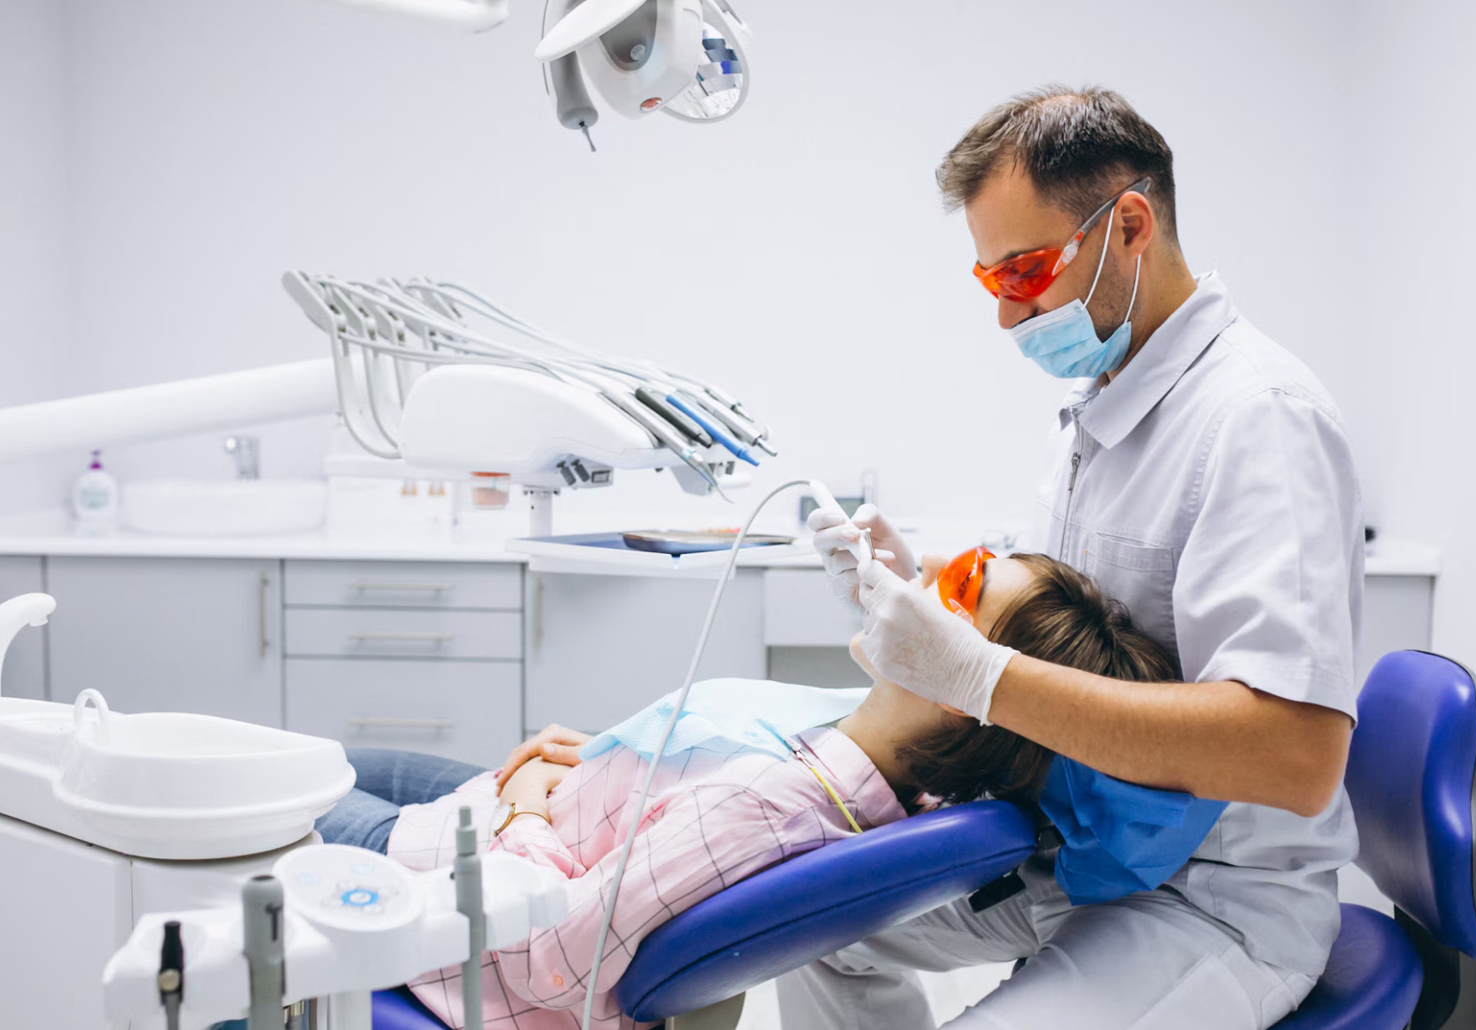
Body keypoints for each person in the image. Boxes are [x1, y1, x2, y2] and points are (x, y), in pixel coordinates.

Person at [795, 86, 1365, 1030]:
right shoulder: (1102, 409)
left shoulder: (1259, 419)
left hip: (1214, 897)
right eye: (992, 284)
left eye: (1025, 272)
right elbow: (1064, 638)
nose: (1011, 319)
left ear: (1130, 225)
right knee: (815, 927)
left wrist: (981, 675)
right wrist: (918, 599)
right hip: (1084, 854)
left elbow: (1295, 756)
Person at [315, 551, 1182, 1030]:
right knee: (340, 758)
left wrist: (530, 800)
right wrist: (619, 758)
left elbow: (556, 961)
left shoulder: (767, 815)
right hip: (543, 816)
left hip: (454, 894)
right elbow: (685, 806)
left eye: (959, 587)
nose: (919, 584)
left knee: (264, 794)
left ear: (967, 696)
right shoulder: (889, 768)